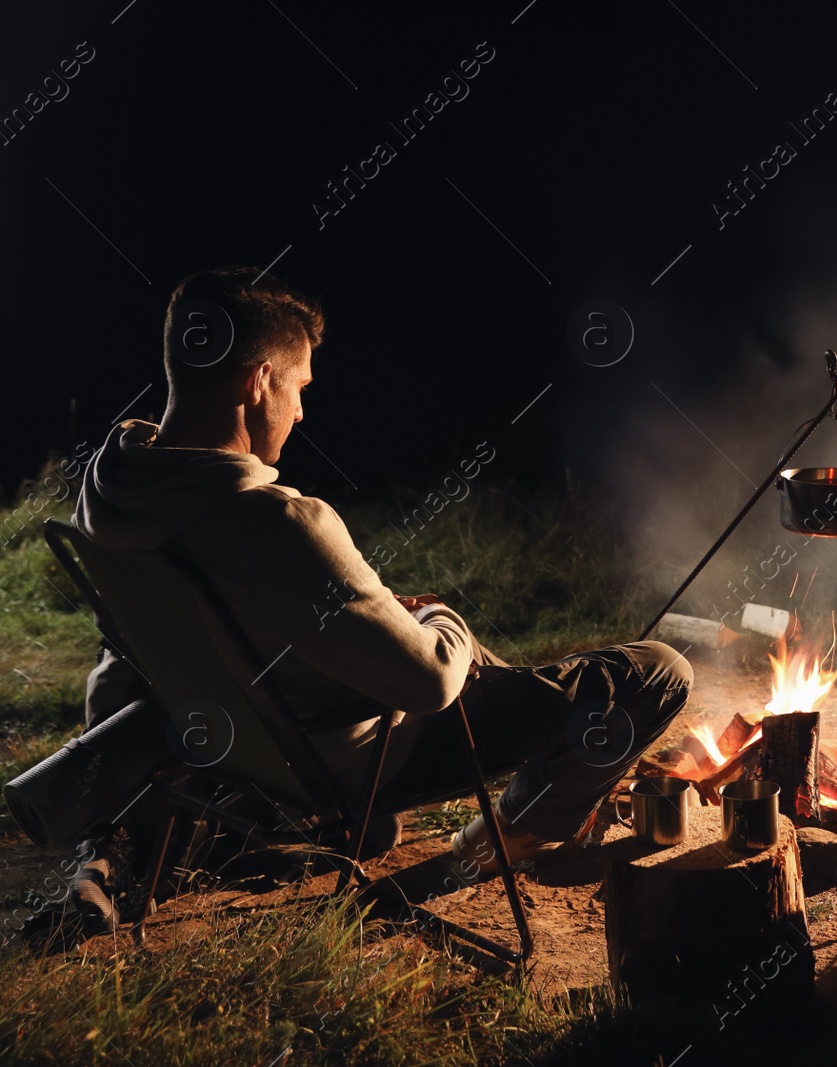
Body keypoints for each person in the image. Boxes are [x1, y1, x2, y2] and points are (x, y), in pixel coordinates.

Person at [59, 266, 692, 933]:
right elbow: (425, 683)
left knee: (453, 696)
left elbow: (124, 660)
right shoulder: (279, 524)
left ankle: (165, 848)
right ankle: (502, 839)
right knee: (654, 672)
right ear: (259, 380)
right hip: (344, 761)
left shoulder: (112, 491)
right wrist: (435, 617)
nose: (302, 410)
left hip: (236, 750)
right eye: (299, 386)